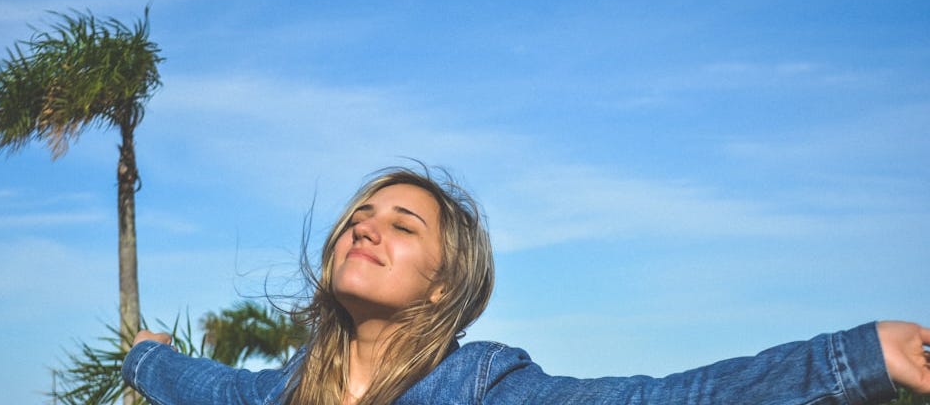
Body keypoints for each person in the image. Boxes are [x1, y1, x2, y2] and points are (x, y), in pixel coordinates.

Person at [124, 166, 930, 404]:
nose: (366, 226)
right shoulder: (285, 392)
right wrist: (145, 358)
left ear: (444, 287)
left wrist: (852, 357)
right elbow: (199, 382)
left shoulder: (480, 387)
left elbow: (657, 402)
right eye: (361, 215)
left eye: (405, 226)